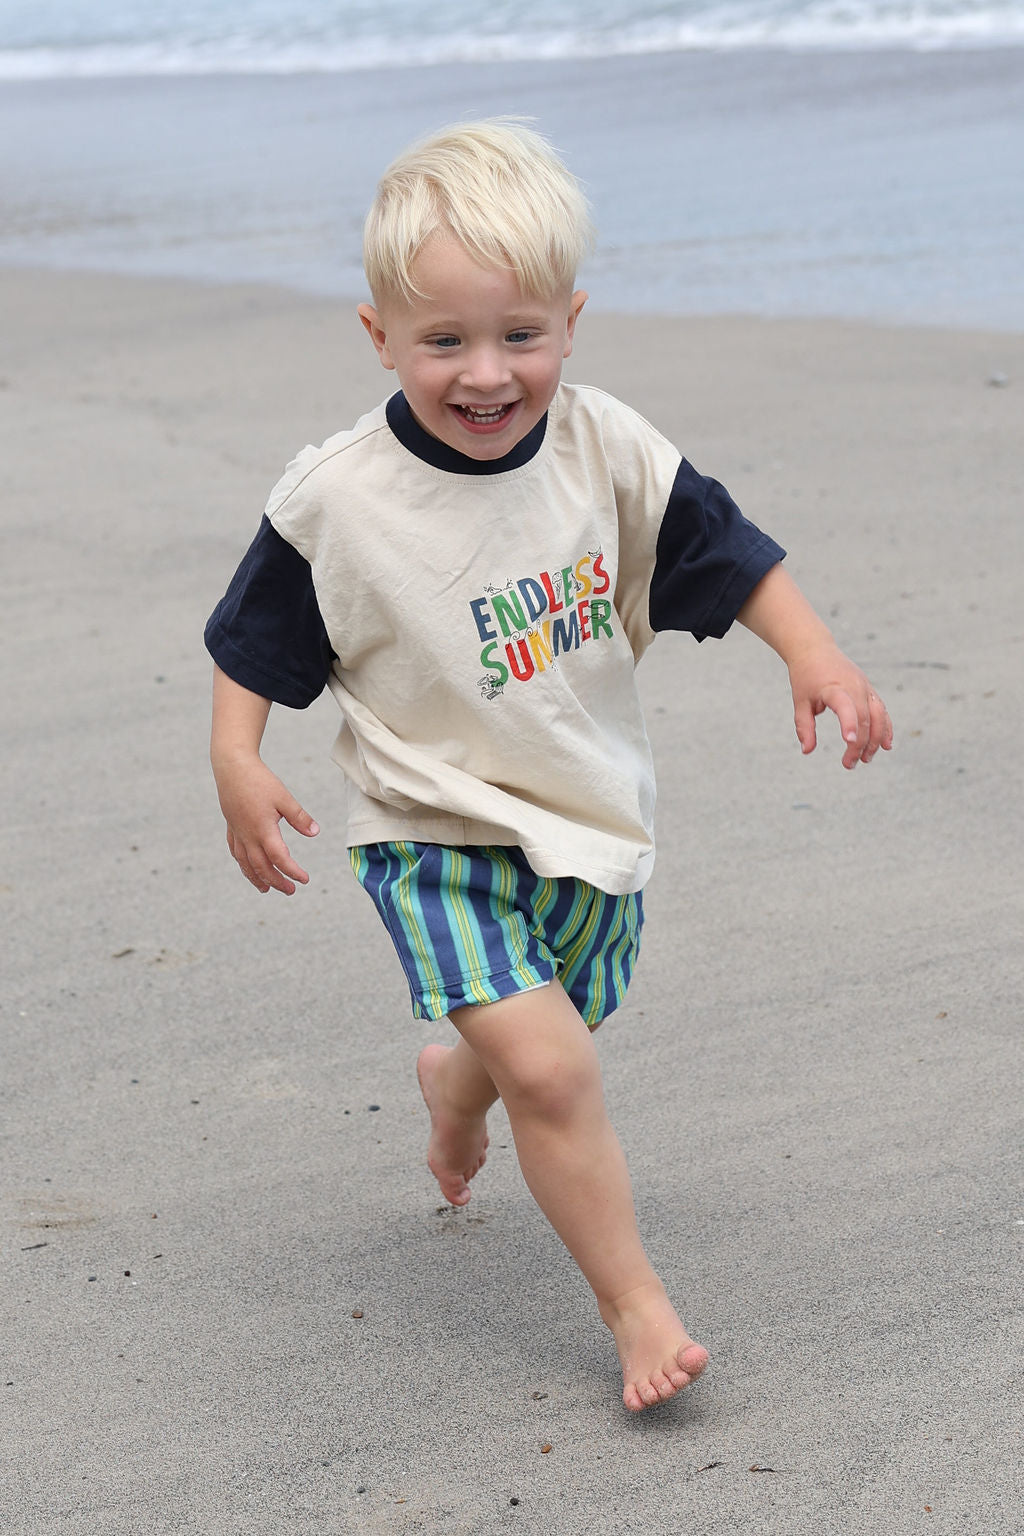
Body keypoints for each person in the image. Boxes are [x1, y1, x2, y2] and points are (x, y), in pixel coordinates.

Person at [205, 120, 892, 1412]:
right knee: (559, 1069)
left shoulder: (607, 452)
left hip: (585, 820)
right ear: (379, 337)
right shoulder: (342, 499)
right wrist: (235, 755)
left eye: (521, 335)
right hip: (432, 831)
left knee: (550, 1031)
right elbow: (257, 638)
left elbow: (725, 553)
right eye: (444, 341)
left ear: (572, 322)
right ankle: (636, 1309)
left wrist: (816, 656)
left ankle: (453, 1084)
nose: (486, 373)